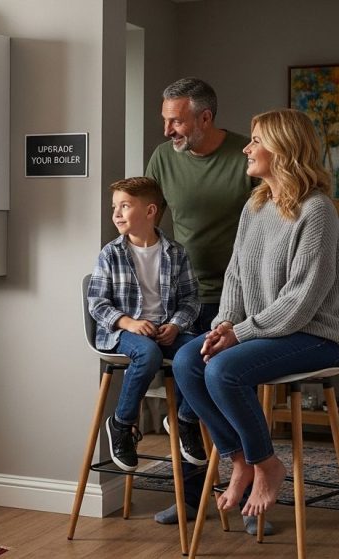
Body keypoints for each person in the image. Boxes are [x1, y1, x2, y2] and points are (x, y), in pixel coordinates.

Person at [172, 108, 339, 518]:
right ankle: (240, 460)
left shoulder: (316, 210)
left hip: (315, 335)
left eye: (256, 140)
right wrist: (222, 327)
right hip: (267, 331)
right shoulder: (255, 206)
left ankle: (266, 464)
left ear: (284, 149)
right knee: (187, 360)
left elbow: (302, 300)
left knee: (223, 370)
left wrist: (241, 334)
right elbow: (234, 278)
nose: (247, 148)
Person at [144, 77, 263, 531]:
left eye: (176, 120)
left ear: (205, 118)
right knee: (185, 390)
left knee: (237, 392)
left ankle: (254, 503)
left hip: (240, 298)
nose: (168, 129)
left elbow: (266, 226)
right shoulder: (162, 158)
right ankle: (192, 498)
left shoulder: (245, 157)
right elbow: (146, 217)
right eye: (166, 120)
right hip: (184, 297)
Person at [88, 177, 205, 473]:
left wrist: (177, 325)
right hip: (123, 333)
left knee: (205, 349)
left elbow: (191, 299)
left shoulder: (175, 253)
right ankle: (122, 423)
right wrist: (128, 322)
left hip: (166, 330)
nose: (116, 213)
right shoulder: (111, 254)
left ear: (150, 211)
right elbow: (97, 303)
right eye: (114, 206)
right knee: (149, 354)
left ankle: (184, 418)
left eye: (124, 206)